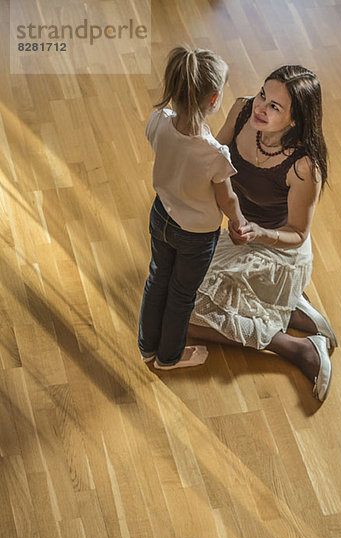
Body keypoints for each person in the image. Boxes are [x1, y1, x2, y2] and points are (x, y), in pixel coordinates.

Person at [188, 65, 337, 401]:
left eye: (274, 107)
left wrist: (258, 232)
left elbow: (297, 233)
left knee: (186, 315)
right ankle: (289, 310)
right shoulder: (242, 110)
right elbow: (212, 158)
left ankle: (298, 348)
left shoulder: (303, 167)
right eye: (262, 95)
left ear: (296, 119)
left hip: (276, 247)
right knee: (179, 298)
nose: (260, 107)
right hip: (239, 233)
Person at [138, 46, 247, 370]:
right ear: (213, 100)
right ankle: (169, 357)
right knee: (182, 293)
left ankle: (147, 346)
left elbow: (165, 147)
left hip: (161, 216)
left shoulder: (159, 120)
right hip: (196, 235)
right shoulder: (214, 154)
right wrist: (238, 221)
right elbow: (227, 199)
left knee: (157, 277)